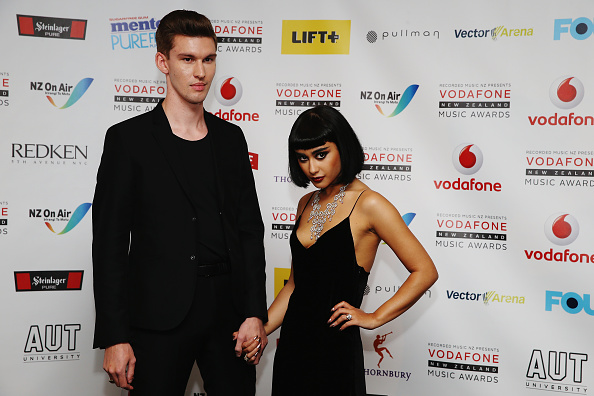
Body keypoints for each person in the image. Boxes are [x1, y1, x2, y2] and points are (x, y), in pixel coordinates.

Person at [92, 10, 267, 396]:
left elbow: (250, 232)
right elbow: (109, 247)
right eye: (187, 59)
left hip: (229, 315)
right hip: (158, 317)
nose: (200, 72)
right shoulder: (128, 140)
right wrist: (114, 336)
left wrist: (255, 312)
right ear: (163, 62)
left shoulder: (231, 139)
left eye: (208, 59)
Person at [241, 105, 438, 395]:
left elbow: (425, 271)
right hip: (293, 346)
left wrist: (374, 318)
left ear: (342, 148)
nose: (312, 168)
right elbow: (295, 286)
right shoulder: (305, 203)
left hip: (334, 352)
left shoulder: (370, 204)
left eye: (321, 154)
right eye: (303, 158)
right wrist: (261, 331)